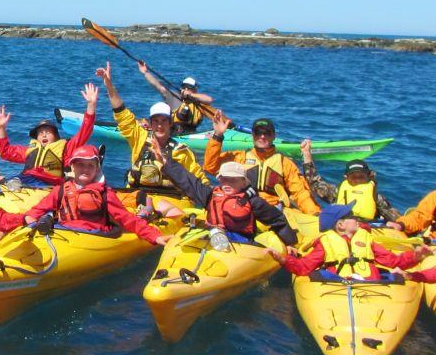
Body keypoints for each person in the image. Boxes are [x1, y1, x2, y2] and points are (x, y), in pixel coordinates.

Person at [149, 141, 296, 250]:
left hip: (241, 241)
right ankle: (210, 237)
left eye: (232, 179)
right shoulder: (211, 195)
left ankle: (215, 236)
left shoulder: (253, 202)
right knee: (200, 232)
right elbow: (188, 180)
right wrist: (165, 161)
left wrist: (290, 244)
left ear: (243, 182)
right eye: (224, 178)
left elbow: (277, 220)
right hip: (215, 237)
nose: (227, 182)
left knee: (216, 235)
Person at [18, 144, 170, 245]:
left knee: (136, 215)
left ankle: (148, 211)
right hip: (64, 234)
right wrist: (29, 219)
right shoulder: (62, 189)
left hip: (95, 238)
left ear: (97, 169)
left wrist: (154, 236)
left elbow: (127, 219)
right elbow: (37, 210)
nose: (85, 169)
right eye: (80, 165)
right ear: (72, 166)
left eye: (90, 165)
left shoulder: (105, 193)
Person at [96, 62, 206, 192]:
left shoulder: (181, 151)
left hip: (171, 201)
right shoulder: (140, 138)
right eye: (156, 121)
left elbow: (201, 181)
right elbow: (121, 112)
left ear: (170, 123)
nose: (159, 125)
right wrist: (108, 84)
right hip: (137, 197)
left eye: (164, 121)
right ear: (150, 123)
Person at [201, 112, 320, 216]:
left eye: (267, 133)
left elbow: (300, 192)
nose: (262, 136)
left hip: (273, 211)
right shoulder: (240, 157)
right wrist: (218, 136)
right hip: (244, 207)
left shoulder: (285, 163)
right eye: (258, 132)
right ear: (253, 135)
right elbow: (210, 166)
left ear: (274, 136)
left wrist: (314, 214)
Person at [0, 83, 99, 187]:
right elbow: (5, 152)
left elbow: (85, 131)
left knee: (16, 182)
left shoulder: (66, 149)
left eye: (48, 132)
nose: (44, 135)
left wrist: (91, 105)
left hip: (50, 184)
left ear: (56, 137)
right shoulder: (29, 150)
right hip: (26, 179)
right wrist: (1, 128)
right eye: (40, 133)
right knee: (10, 181)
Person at [280, 203, 429, 278]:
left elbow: (393, 262)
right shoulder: (325, 243)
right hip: (339, 285)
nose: (356, 218)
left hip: (370, 286)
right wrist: (283, 259)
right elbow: (304, 266)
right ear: (340, 225)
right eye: (351, 216)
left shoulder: (367, 240)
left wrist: (415, 257)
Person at [299, 140, 400, 223]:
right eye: (353, 177)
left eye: (361, 177)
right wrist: (306, 153)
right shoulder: (337, 193)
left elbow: (395, 218)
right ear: (346, 177)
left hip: (367, 230)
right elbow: (314, 183)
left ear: (369, 177)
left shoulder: (376, 198)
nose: (357, 180)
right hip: (343, 229)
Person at [135, 62, 215, 136]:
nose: (186, 90)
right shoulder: (173, 95)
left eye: (190, 88)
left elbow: (210, 100)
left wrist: (191, 95)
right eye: (185, 87)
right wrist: (145, 72)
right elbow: (158, 85)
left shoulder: (198, 101)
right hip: (173, 132)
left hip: (191, 133)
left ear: (195, 90)